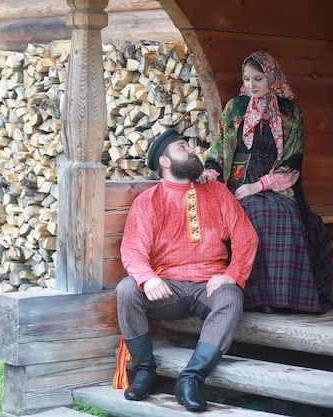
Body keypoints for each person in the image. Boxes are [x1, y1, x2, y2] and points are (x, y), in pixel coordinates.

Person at [115, 128, 258, 411]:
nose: (192, 150)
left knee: (231, 296)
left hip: (208, 285)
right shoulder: (148, 201)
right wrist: (147, 279)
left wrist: (231, 274)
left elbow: (245, 236)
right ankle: (145, 372)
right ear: (165, 162)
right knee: (127, 289)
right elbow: (132, 249)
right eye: (183, 147)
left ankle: (190, 379)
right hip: (168, 288)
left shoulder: (216, 192)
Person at [199, 51, 333, 314]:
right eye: (246, 79)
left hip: (275, 183)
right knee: (253, 216)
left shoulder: (290, 113)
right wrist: (211, 174)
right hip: (238, 182)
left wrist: (257, 186)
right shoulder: (235, 107)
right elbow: (219, 149)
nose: (251, 85)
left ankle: (286, 298)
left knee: (284, 215)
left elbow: (293, 162)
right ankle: (256, 298)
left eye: (258, 78)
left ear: (271, 77)